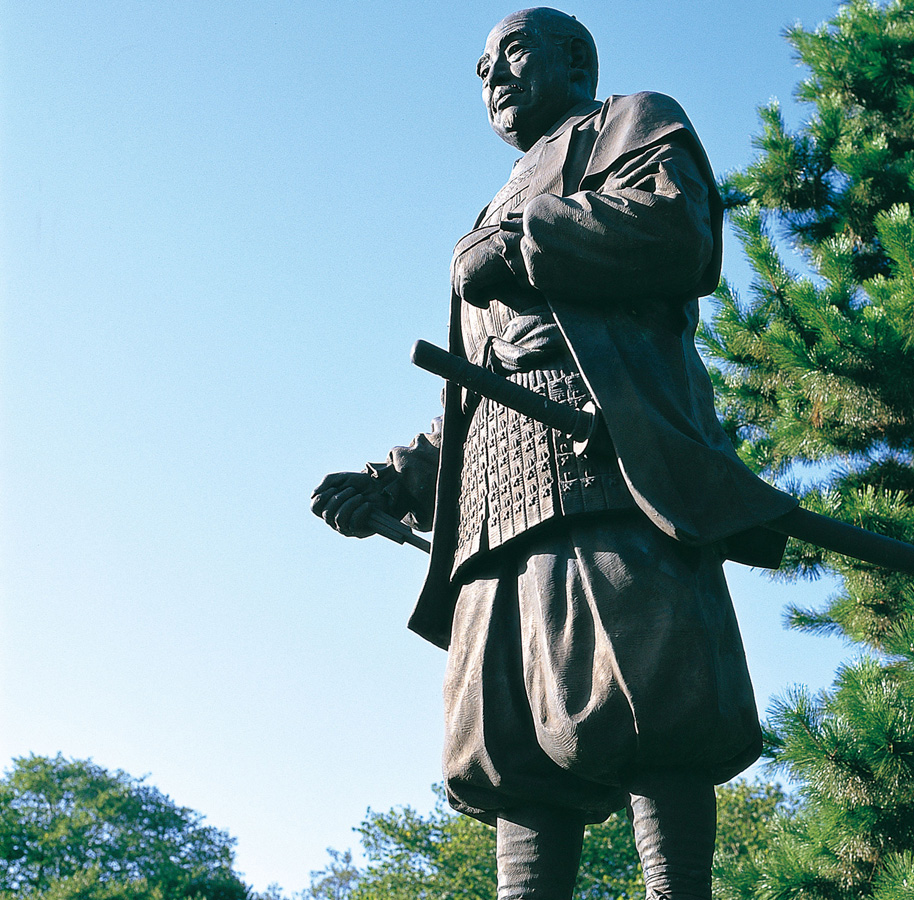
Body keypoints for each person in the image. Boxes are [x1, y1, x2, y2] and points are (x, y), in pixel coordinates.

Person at [312, 8, 797, 899]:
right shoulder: (486, 206)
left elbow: (679, 228)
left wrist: (527, 236)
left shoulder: (631, 122)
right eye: (480, 68)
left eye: (512, 54)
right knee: (510, 747)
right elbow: (473, 394)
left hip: (608, 475)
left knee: (655, 701)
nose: (492, 76)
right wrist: (393, 478)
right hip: (493, 516)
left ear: (575, 59)